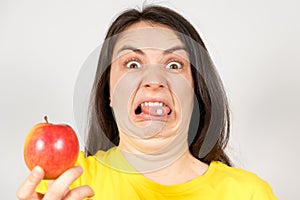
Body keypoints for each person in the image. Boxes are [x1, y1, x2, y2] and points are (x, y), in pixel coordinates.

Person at [17, 5, 277, 200]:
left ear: (196, 93)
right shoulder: (65, 183)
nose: (154, 80)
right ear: (109, 92)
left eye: (174, 65)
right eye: (132, 63)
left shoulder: (248, 193)